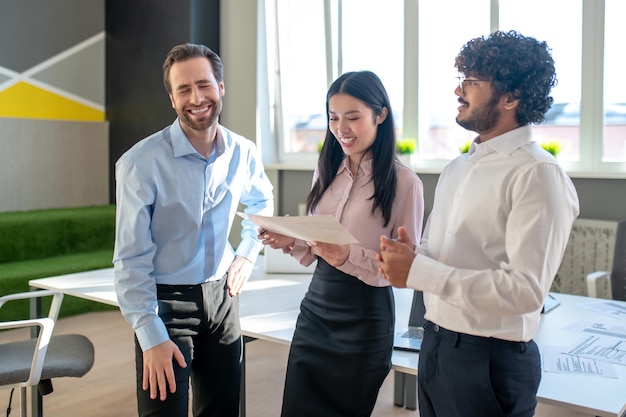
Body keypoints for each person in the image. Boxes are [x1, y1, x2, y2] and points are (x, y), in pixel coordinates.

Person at [377, 30, 580, 417]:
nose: (459, 91)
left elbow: (525, 291)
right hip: (436, 346)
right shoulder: (459, 167)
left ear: (511, 97)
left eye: (471, 81)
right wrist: (410, 257)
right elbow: (451, 255)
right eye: (461, 79)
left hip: (490, 362)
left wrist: (419, 270)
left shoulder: (538, 174)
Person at [112, 43, 274, 417]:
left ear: (221, 87)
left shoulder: (242, 152)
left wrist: (248, 252)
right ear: (171, 99)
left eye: (204, 85)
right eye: (183, 89)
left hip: (223, 301)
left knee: (222, 410)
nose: (196, 98)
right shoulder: (140, 164)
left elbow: (262, 203)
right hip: (166, 306)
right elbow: (130, 259)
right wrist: (149, 335)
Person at [259, 70, 424, 417]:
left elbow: (403, 269)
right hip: (316, 308)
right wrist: (291, 238)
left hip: (364, 316)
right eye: (333, 118)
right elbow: (319, 242)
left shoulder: (405, 183)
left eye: (353, 117)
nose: (341, 128)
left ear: (380, 116)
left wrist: (350, 254)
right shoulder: (327, 167)